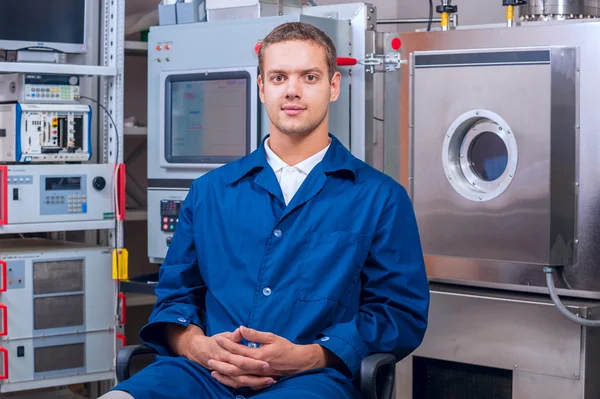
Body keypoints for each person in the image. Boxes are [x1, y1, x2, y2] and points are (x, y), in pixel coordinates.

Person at [102, 21, 429, 399]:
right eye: (278, 77)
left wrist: (311, 356)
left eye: (309, 76)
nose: (292, 91)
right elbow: (176, 296)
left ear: (334, 86)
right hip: (201, 375)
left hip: (311, 381)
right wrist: (198, 347)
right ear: (261, 87)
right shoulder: (210, 192)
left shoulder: (380, 198)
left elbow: (399, 313)